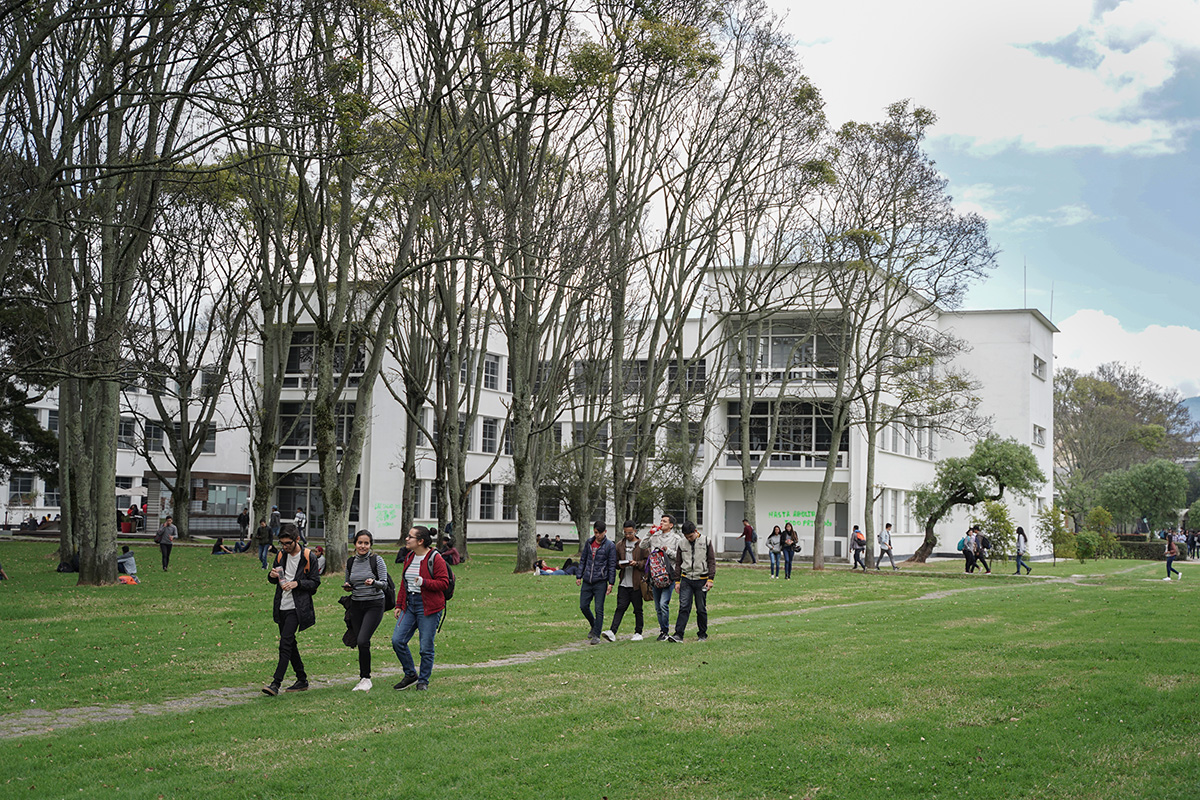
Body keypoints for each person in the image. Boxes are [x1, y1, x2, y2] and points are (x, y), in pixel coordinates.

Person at [263, 524, 321, 695]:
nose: (285, 546)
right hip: (281, 605)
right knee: (290, 644)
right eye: (282, 543)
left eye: (288, 543)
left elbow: (315, 583)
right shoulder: (281, 555)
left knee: (285, 644)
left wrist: (298, 583)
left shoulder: (308, 556)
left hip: (297, 608)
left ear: (297, 539)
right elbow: (274, 580)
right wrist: (271, 576)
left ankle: (276, 683)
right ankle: (302, 679)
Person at [392, 525, 450, 691]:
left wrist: (424, 582)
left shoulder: (435, 558)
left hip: (430, 607)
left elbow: (444, 583)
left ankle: (423, 680)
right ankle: (410, 674)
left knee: (425, 647)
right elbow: (404, 583)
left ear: (420, 541)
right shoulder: (410, 556)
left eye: (410, 537)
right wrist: (399, 604)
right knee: (398, 640)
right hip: (410, 604)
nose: (407, 539)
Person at [343, 531, 388, 692]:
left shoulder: (376, 560)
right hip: (356, 605)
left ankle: (366, 678)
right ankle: (363, 677)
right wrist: (348, 586)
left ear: (370, 545)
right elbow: (348, 581)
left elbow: (384, 584)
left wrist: (374, 582)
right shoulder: (350, 562)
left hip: (374, 605)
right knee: (360, 642)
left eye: (366, 543)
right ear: (354, 544)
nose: (363, 546)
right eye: (360, 543)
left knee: (363, 640)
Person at [668, 521, 715, 642]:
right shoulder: (681, 543)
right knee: (684, 607)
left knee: (700, 608)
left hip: (702, 579)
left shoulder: (706, 541)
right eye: (686, 537)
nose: (688, 539)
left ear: (695, 531)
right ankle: (678, 634)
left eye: (690, 536)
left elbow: (711, 561)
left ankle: (702, 634)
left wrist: (710, 579)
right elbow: (678, 563)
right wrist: (677, 581)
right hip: (686, 579)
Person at [603, 521, 647, 641]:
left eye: (630, 533)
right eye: (625, 533)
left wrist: (636, 563)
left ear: (635, 531)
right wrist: (619, 565)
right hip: (624, 582)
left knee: (638, 609)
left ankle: (638, 632)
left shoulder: (642, 544)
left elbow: (646, 562)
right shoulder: (619, 545)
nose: (627, 535)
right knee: (620, 607)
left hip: (637, 583)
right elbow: (614, 562)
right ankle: (612, 631)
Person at [643, 515, 682, 640]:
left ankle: (665, 630)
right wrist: (649, 533)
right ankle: (662, 631)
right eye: (661, 521)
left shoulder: (676, 538)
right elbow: (642, 545)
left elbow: (679, 557)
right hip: (655, 577)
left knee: (663, 604)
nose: (661, 523)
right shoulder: (654, 537)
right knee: (657, 607)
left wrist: (668, 550)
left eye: (664, 521)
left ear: (671, 525)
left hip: (668, 576)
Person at [577, 521, 616, 644]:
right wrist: (579, 575)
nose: (597, 535)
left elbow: (612, 565)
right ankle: (594, 624)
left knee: (599, 608)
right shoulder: (589, 543)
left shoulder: (610, 546)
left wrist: (611, 583)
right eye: (595, 533)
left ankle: (596, 635)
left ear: (605, 532)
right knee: (583, 606)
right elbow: (583, 559)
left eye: (599, 533)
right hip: (587, 580)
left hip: (601, 581)